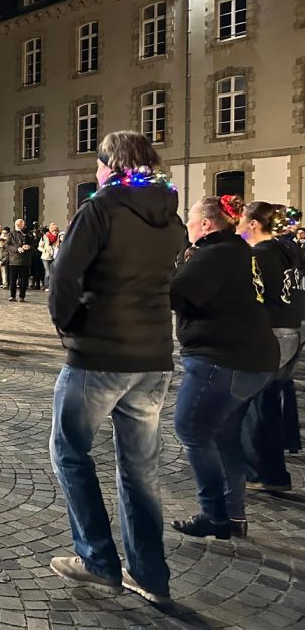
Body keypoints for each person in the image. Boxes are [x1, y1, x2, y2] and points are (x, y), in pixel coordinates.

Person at [48, 130, 185, 604]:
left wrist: (70, 326)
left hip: (100, 354)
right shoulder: (171, 215)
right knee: (140, 467)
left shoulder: (101, 208)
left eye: (99, 163)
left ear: (112, 164)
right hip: (153, 357)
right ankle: (150, 573)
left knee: (69, 452)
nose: (96, 171)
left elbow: (63, 275)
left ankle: (97, 559)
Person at [170, 195, 278, 541]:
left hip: (222, 358)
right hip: (254, 359)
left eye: (190, 219)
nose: (187, 225)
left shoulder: (215, 253)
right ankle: (233, 515)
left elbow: (175, 293)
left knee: (191, 428)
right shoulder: (238, 250)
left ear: (205, 224)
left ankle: (214, 514)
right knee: (224, 436)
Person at [236, 202, 301, 495]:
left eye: (242, 219)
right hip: (291, 329)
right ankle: (275, 474)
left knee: (255, 405)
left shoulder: (259, 255)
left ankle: (257, 472)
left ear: (253, 223)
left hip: (271, 331)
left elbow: (252, 296)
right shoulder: (284, 250)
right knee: (270, 404)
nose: (238, 224)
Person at [6, 218, 36, 302]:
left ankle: (22, 296)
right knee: (13, 279)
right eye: (16, 224)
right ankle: (12, 296)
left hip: (25, 260)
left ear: (23, 225)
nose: (17, 226)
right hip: (14, 260)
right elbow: (7, 245)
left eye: (19, 224)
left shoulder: (28, 234)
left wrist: (29, 247)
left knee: (24, 280)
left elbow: (34, 244)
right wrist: (17, 249)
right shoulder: (11, 234)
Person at [39, 223, 62, 292]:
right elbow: (39, 247)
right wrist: (45, 250)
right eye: (54, 231)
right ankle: (47, 285)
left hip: (54, 256)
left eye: (56, 231)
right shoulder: (45, 237)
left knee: (53, 271)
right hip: (46, 257)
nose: (55, 232)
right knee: (47, 272)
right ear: (51, 231)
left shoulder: (58, 237)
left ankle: (53, 285)